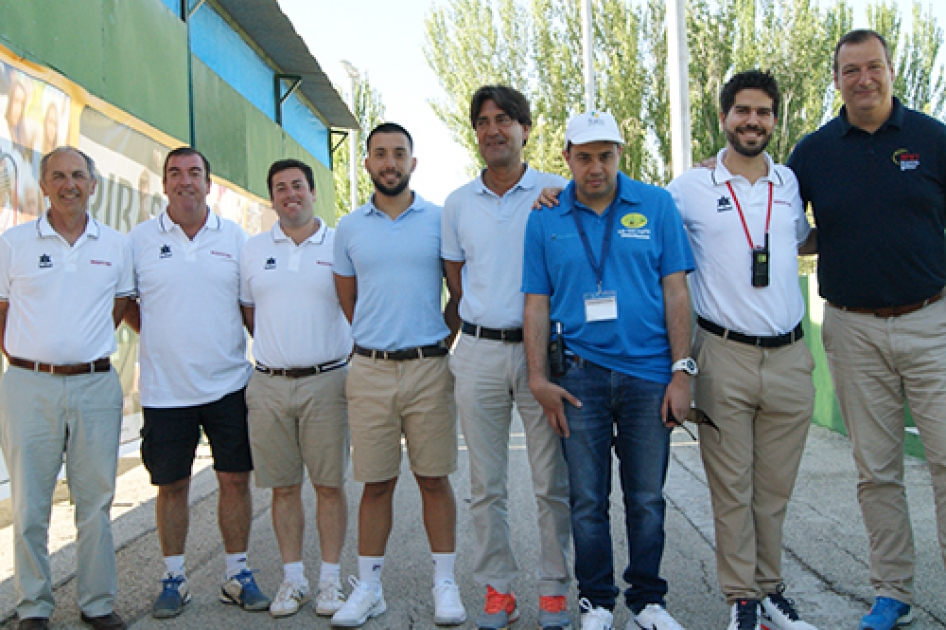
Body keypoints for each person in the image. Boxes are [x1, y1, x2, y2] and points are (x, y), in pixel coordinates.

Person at [787, 29, 946, 630]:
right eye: (850, 70)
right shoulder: (814, 152)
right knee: (876, 471)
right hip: (852, 331)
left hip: (933, 321)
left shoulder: (933, 139)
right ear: (837, 80)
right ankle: (892, 591)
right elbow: (778, 219)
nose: (863, 79)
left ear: (889, 70)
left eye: (872, 67)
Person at [523, 110, 693, 630]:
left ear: (621, 154)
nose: (595, 167)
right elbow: (535, 303)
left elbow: (676, 291)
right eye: (584, 156)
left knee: (646, 498)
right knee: (587, 499)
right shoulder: (546, 217)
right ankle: (596, 600)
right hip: (578, 378)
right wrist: (538, 378)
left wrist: (682, 371)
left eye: (605, 155)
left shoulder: (657, 205)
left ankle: (647, 601)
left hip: (648, 376)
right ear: (567, 158)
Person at [667, 70, 817, 630]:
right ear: (724, 117)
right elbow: (633, 216)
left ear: (774, 120)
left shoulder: (790, 183)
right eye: (742, 111)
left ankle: (771, 589)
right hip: (723, 355)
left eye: (763, 112)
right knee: (731, 487)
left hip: (790, 357)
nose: (753, 121)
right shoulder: (690, 188)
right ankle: (741, 599)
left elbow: (803, 240)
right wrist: (557, 192)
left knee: (773, 489)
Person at [442, 85, 572, 630]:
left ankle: (554, 591)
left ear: (526, 128)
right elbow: (455, 279)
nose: (493, 130)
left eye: (505, 120)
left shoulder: (556, 192)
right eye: (483, 121)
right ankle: (498, 591)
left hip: (541, 356)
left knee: (551, 482)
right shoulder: (457, 203)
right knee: (485, 484)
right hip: (476, 352)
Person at [125, 147, 270, 619]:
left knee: (234, 479)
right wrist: (167, 335)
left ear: (209, 183)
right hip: (165, 391)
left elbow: (250, 309)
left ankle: (237, 574)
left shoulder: (237, 239)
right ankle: (174, 578)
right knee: (172, 486)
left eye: (194, 173)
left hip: (228, 385)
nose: (185, 181)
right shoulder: (139, 241)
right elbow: (129, 305)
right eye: (175, 173)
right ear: (164, 184)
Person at [331, 122, 465, 628]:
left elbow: (458, 293)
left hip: (430, 368)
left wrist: (438, 339)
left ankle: (445, 584)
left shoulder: (439, 219)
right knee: (375, 483)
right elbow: (350, 301)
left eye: (399, 154)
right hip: (369, 371)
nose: (390, 162)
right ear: (367, 163)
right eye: (380, 154)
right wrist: (379, 339)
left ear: (413, 162)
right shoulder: (349, 228)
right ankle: (368, 588)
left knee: (434, 479)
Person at [0, 147, 133, 630]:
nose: (69, 183)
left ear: (93, 185)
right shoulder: (13, 243)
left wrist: (83, 349)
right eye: (58, 176)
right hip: (28, 386)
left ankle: (97, 602)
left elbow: (120, 305)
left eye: (78, 175)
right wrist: (37, 355)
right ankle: (33, 606)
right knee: (31, 503)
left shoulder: (117, 246)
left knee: (95, 503)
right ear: (44, 186)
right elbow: (1, 312)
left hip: (96, 386)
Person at [239, 158, 352, 618]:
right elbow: (250, 312)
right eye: (281, 187)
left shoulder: (339, 244)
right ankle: (293, 580)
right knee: (283, 489)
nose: (291, 194)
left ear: (312, 192)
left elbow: (354, 306)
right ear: (272, 198)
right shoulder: (251, 249)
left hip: (327, 381)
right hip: (268, 385)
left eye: (299, 185)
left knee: (328, 486)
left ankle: (329, 582)